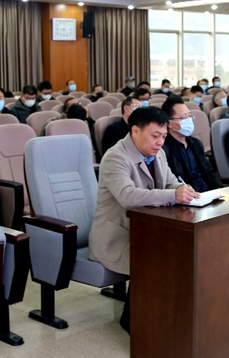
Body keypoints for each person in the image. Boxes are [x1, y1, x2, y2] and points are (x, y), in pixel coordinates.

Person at [89, 106, 197, 334]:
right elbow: (128, 196)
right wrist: (173, 195)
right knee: (159, 257)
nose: (160, 142)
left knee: (184, 250)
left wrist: (183, 189)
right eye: (155, 136)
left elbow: (170, 182)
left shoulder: (158, 152)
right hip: (118, 236)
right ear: (135, 131)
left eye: (164, 136)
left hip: (148, 230)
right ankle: (134, 321)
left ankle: (174, 316)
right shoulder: (115, 157)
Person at [160, 96, 221, 193]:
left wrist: (220, 190)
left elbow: (209, 171)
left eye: (189, 116)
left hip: (208, 192)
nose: (189, 120)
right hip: (187, 196)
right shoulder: (164, 149)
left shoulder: (196, 143)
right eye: (184, 117)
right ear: (169, 123)